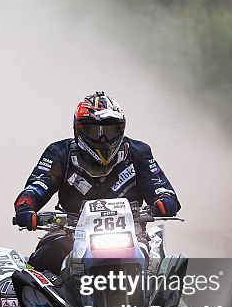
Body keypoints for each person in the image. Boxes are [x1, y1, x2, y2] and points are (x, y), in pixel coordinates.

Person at [12, 91, 181, 275]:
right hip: (71, 234)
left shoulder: (139, 152)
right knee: (41, 260)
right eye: (95, 131)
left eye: (109, 131)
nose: (103, 139)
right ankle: (31, 301)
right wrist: (26, 207)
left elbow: (161, 188)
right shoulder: (60, 153)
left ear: (121, 129)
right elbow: (37, 186)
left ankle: (160, 301)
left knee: (162, 270)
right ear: (79, 129)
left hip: (132, 234)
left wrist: (165, 201)